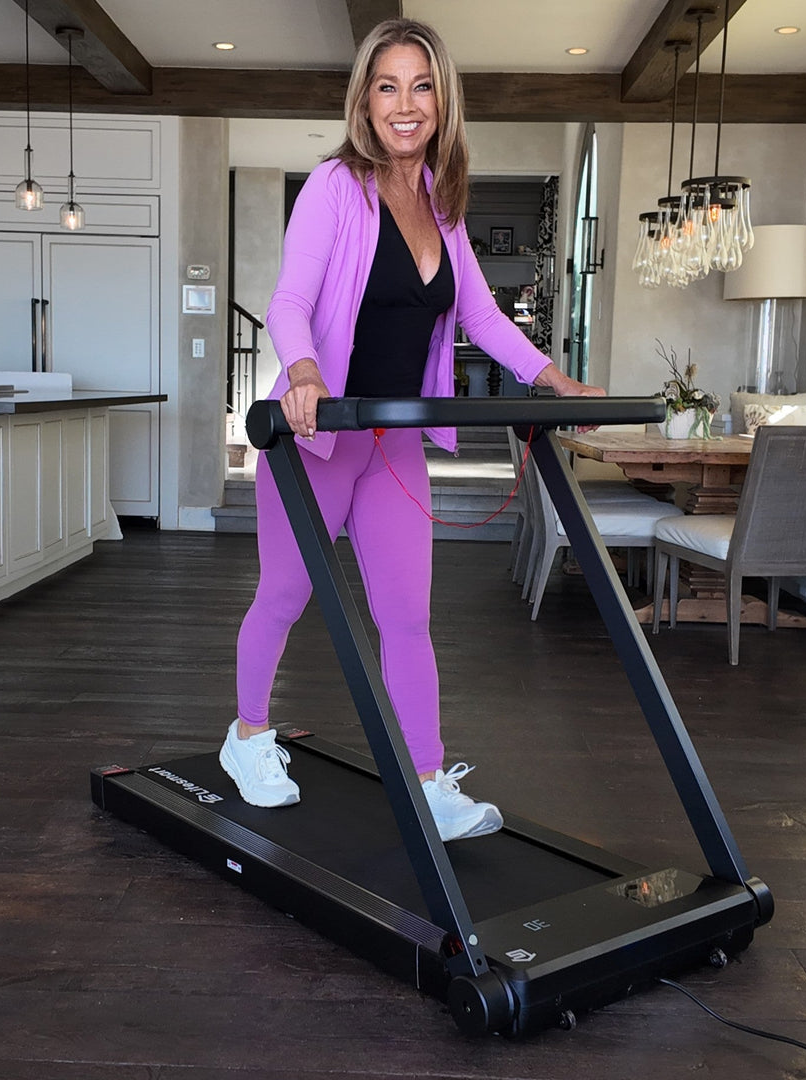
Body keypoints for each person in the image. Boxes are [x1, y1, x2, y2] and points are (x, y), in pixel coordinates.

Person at [220, 17, 605, 840]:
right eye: (387, 86)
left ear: (441, 100)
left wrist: (551, 378)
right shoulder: (335, 185)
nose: (405, 104)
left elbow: (479, 313)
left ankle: (428, 778)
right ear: (364, 98)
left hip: (394, 443)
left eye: (421, 86)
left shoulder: (442, 197)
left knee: (406, 618)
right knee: (286, 594)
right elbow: (289, 299)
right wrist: (304, 372)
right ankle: (248, 737)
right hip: (323, 435)